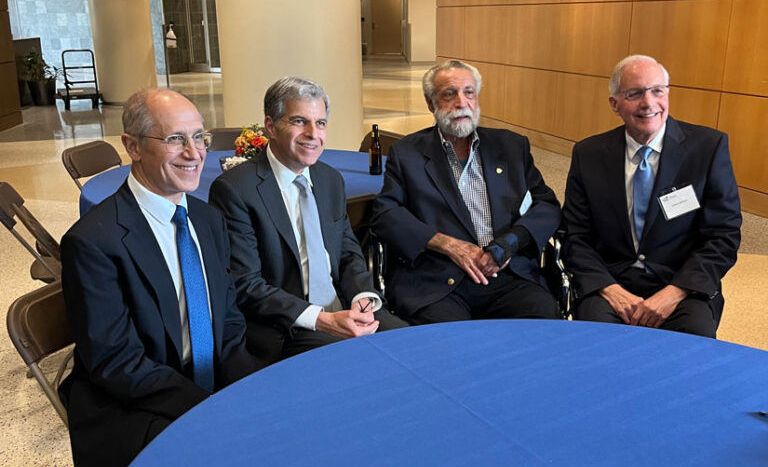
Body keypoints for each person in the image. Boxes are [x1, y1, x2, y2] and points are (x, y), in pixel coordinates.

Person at [60, 89, 259, 467]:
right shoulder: (94, 241)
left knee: (279, 430)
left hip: (205, 382)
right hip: (136, 401)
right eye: (174, 139)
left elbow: (228, 316)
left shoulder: (207, 219)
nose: (194, 153)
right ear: (131, 146)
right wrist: (207, 408)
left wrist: (246, 391)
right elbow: (117, 363)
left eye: (199, 137)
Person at [208, 76, 407, 362]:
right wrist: (323, 320)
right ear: (270, 126)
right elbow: (246, 284)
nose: (313, 133)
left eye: (321, 123)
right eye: (299, 121)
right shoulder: (235, 190)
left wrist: (362, 297)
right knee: (363, 363)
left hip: (345, 307)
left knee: (415, 346)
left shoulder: (330, 180)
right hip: (289, 324)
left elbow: (348, 253)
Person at [369, 59, 562, 323]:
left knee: (540, 324)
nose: (462, 103)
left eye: (469, 92)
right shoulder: (407, 153)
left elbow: (547, 205)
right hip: (438, 280)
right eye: (449, 94)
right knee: (447, 344)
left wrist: (511, 241)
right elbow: (385, 214)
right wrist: (447, 244)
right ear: (430, 103)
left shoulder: (511, 147)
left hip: (506, 274)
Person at [562, 54, 742, 336]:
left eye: (657, 91)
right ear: (615, 104)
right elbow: (575, 236)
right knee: (595, 343)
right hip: (610, 282)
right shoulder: (588, 154)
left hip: (681, 283)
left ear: (668, 94)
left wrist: (673, 293)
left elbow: (723, 235)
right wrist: (611, 291)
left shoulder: (708, 148)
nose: (648, 103)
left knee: (692, 344)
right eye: (634, 94)